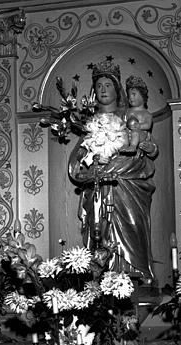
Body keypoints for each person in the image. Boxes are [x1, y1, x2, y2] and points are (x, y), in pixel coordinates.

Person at [68, 60, 158, 283]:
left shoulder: (131, 115)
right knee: (99, 228)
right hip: (99, 187)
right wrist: (87, 168)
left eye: (108, 85)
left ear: (117, 89)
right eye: (98, 85)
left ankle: (135, 271)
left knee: (132, 225)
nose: (103, 89)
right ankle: (102, 274)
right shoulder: (90, 122)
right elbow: (78, 158)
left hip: (127, 185)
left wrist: (143, 150)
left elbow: (149, 148)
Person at [121, 75, 153, 155]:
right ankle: (125, 145)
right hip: (129, 133)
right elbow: (124, 121)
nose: (131, 98)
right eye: (129, 95)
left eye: (134, 94)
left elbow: (148, 125)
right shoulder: (127, 111)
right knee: (123, 133)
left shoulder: (146, 113)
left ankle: (133, 146)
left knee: (135, 133)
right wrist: (123, 125)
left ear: (143, 96)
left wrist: (139, 126)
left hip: (140, 135)